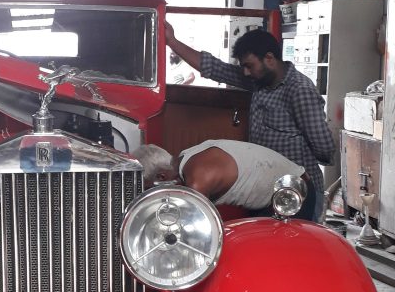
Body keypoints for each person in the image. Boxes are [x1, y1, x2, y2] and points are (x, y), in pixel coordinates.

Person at [164, 23, 333, 221]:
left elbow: (325, 148)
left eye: (248, 66)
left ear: (269, 59)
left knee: (295, 248)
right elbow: (214, 68)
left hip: (297, 193)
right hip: (265, 190)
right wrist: (171, 41)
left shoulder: (299, 90)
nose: (245, 72)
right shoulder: (258, 80)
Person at [133, 140, 317, 221]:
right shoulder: (186, 158)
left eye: (150, 188)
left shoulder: (198, 179)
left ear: (162, 177)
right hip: (270, 197)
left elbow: (196, 226)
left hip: (293, 195)